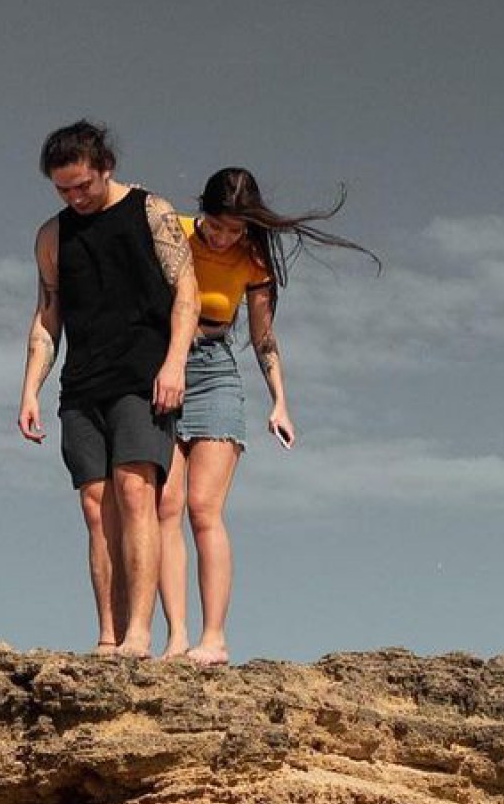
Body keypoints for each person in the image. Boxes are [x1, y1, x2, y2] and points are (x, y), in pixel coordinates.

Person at [158, 167, 377, 665]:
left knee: (203, 509)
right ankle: (175, 636)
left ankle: (213, 639)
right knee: (164, 507)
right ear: (202, 211)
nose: (222, 237)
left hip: (216, 368)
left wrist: (280, 399)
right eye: (216, 226)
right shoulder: (173, 233)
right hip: (164, 363)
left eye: (235, 230)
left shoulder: (252, 258)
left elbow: (263, 336)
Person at [18, 120, 199, 657]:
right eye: (63, 190)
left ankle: (140, 635)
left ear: (106, 168)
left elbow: (187, 293)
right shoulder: (52, 236)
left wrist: (174, 365)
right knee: (97, 508)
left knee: (136, 491)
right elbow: (47, 317)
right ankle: (108, 636)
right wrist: (30, 389)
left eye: (83, 186)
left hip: (143, 376)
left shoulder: (152, 212)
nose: (75, 197)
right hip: (81, 384)